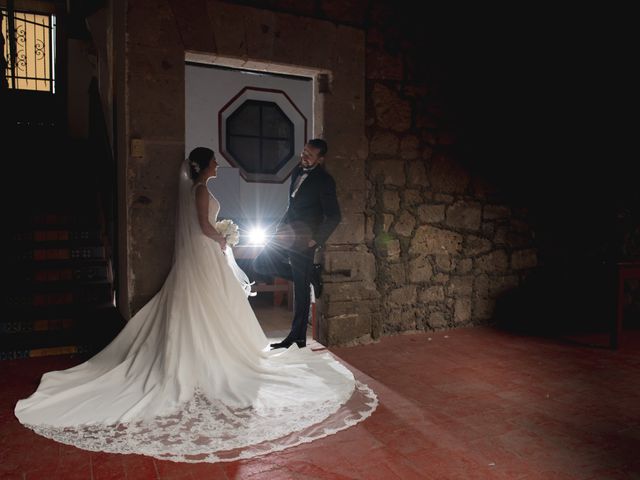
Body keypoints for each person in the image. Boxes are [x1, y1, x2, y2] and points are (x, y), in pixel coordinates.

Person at [14, 147, 376, 463]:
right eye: (215, 161)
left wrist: (224, 236)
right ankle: (212, 356)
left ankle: (212, 348)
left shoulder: (200, 188)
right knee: (208, 302)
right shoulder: (202, 190)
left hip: (205, 254)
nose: (219, 164)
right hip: (206, 252)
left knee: (209, 303)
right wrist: (225, 237)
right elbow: (204, 226)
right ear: (204, 167)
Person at [253, 139, 341, 349]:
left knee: (300, 291)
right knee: (260, 263)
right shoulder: (296, 172)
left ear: (320, 159)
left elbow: (334, 216)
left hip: (304, 239)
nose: (304, 157)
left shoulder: (325, 181)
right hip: (285, 233)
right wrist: (280, 226)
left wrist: (316, 240)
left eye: (310, 155)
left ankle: (297, 337)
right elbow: (292, 205)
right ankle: (311, 274)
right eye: (304, 152)